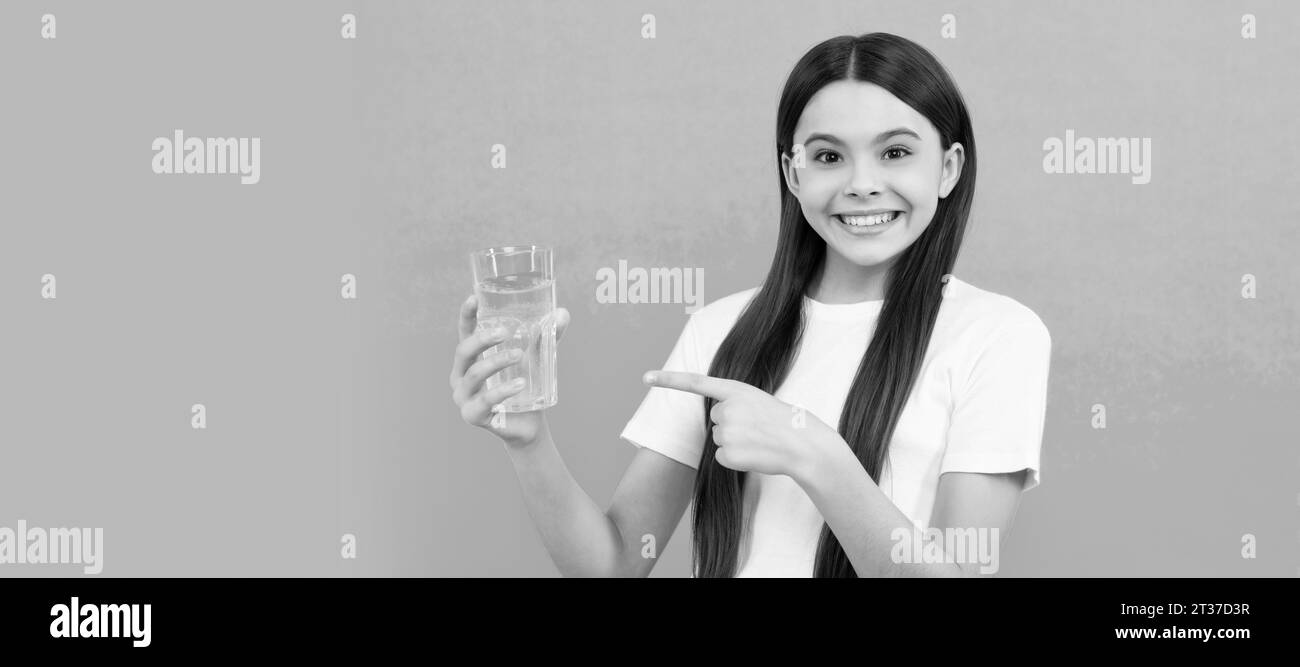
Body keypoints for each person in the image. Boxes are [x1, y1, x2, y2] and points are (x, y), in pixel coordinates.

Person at [450, 32, 1051, 577]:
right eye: (828, 156)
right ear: (793, 174)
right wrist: (529, 443)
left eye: (895, 152)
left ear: (948, 168)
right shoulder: (719, 330)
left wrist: (815, 455)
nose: (862, 183)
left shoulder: (997, 336)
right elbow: (612, 567)